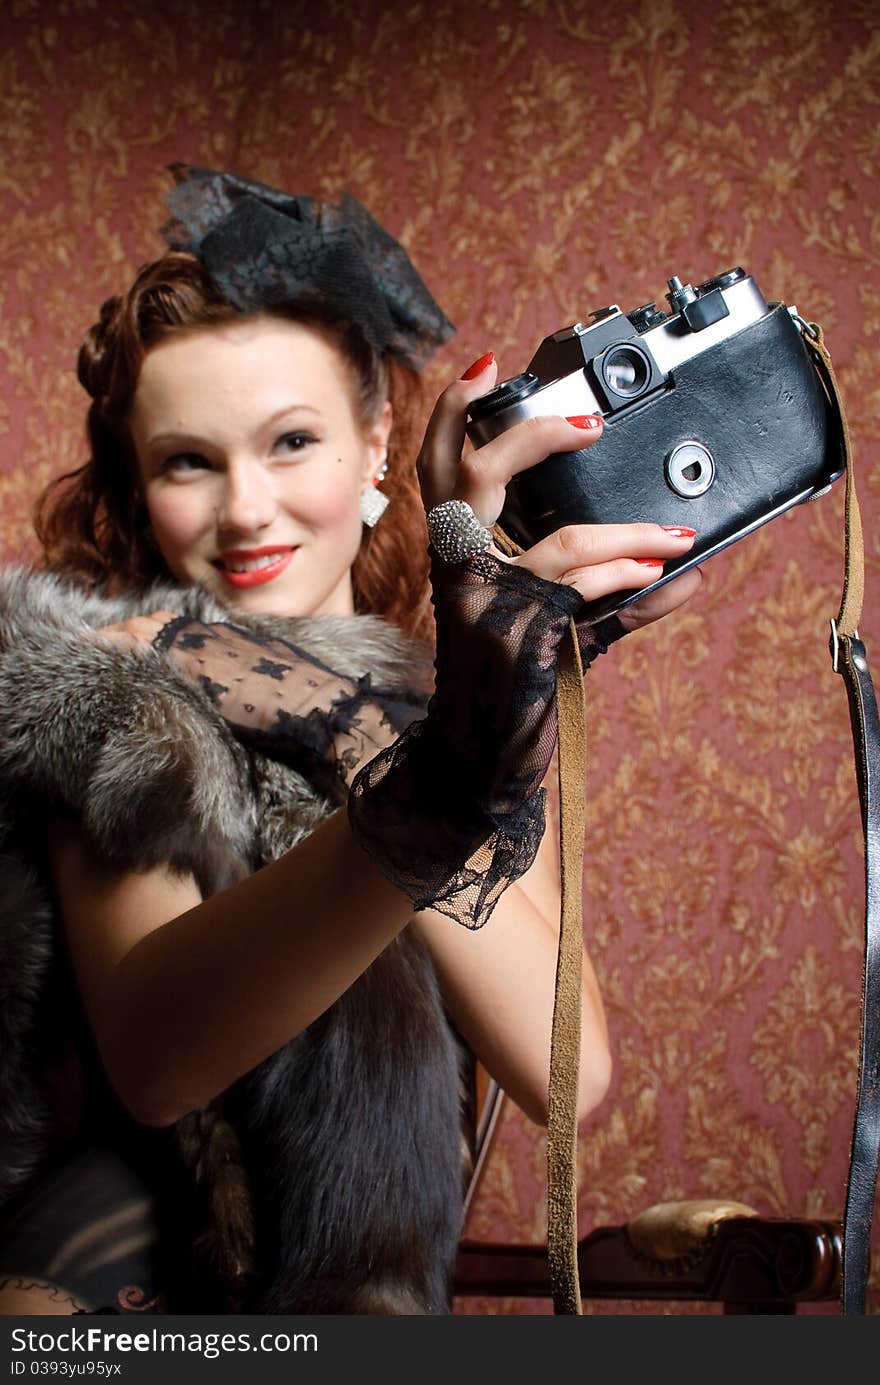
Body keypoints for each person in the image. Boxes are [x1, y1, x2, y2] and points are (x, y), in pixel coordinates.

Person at [0, 167, 701, 1316]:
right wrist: (418, 769)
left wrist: (392, 729)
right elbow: (156, 1059)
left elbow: (564, 1071)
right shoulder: (98, 679)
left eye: (289, 441)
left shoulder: (459, 703)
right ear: (138, 477)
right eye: (188, 459)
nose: (246, 508)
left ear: (376, 440)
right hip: (124, 1299)